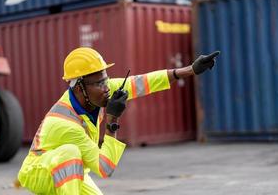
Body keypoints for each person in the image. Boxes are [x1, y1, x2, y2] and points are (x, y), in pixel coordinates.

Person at [17, 47, 220, 194]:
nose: (107, 87)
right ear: (79, 88)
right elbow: (104, 168)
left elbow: (141, 83)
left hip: (70, 168)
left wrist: (190, 70)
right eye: (99, 83)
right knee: (70, 152)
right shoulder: (64, 123)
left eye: (106, 79)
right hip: (39, 173)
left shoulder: (97, 91)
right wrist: (112, 121)